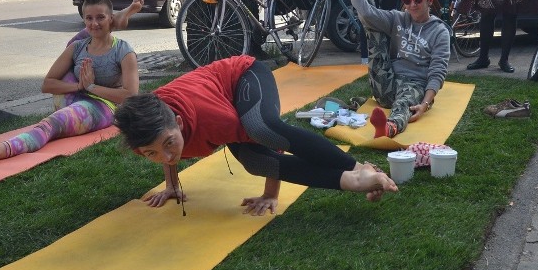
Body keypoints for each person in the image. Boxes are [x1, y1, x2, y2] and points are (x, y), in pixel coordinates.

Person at [113, 56, 398, 216]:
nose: (167, 156)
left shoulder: (214, 120)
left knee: (261, 128)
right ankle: (354, 181)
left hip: (245, 76)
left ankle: (359, 169)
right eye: (153, 154)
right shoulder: (143, 137)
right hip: (215, 103)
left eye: (169, 145)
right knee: (253, 162)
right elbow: (160, 141)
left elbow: (271, 145)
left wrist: (270, 194)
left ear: (179, 122)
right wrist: (171, 184)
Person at [0, 0, 139, 167]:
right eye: (89, 18)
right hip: (75, 95)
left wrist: (92, 87)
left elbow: (131, 95)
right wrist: (80, 86)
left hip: (104, 106)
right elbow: (47, 85)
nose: (94, 23)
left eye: (100, 17)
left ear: (109, 18)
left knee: (51, 125)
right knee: (73, 45)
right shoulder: (78, 47)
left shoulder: (123, 51)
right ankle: (121, 18)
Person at [346, 0, 450, 138]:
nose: (412, 5)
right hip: (387, 83)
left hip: (415, 86)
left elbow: (437, 72)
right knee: (372, 26)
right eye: (407, 0)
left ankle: (389, 127)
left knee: (404, 102)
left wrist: (425, 104)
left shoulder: (439, 31)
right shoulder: (398, 19)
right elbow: (367, 13)